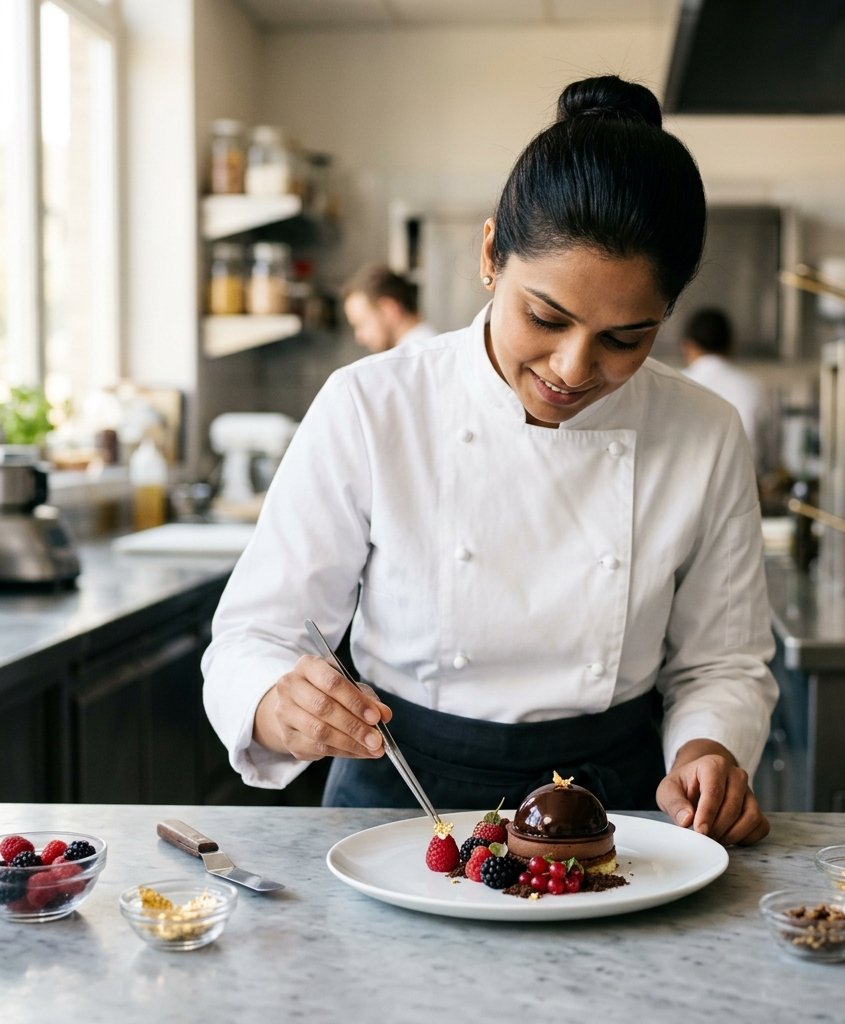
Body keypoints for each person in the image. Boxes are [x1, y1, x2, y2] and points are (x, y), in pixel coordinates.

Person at [203, 75, 778, 846]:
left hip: (620, 817)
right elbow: (252, 638)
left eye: (625, 338)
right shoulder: (373, 404)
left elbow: (723, 661)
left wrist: (709, 749)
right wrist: (279, 704)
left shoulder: (703, 430)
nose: (574, 368)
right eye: (545, 316)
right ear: (490, 256)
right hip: (399, 802)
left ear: (665, 316)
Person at [681, 307, 773, 476]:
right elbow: (770, 451)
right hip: (743, 485)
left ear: (688, 346)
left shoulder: (673, 385)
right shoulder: (754, 388)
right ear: (731, 345)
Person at [340, 264, 436, 353]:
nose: (359, 338)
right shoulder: (430, 347)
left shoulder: (414, 360)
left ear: (388, 310)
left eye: (361, 324)